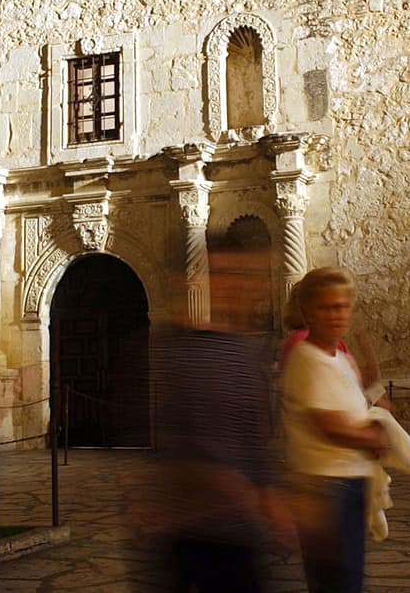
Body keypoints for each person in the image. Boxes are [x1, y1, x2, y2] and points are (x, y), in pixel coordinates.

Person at [144, 242, 296, 592]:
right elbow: (168, 446)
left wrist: (270, 497)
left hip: (240, 531)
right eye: (224, 274)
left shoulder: (244, 354)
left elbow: (252, 442)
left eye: (244, 275)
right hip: (190, 528)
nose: (237, 285)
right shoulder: (178, 350)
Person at [281, 267, 388, 593]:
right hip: (326, 489)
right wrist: (375, 436)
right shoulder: (306, 356)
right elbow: (329, 425)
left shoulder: (336, 356)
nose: (337, 315)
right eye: (327, 307)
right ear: (308, 311)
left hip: (347, 484)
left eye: (342, 306)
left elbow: (353, 408)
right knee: (337, 583)